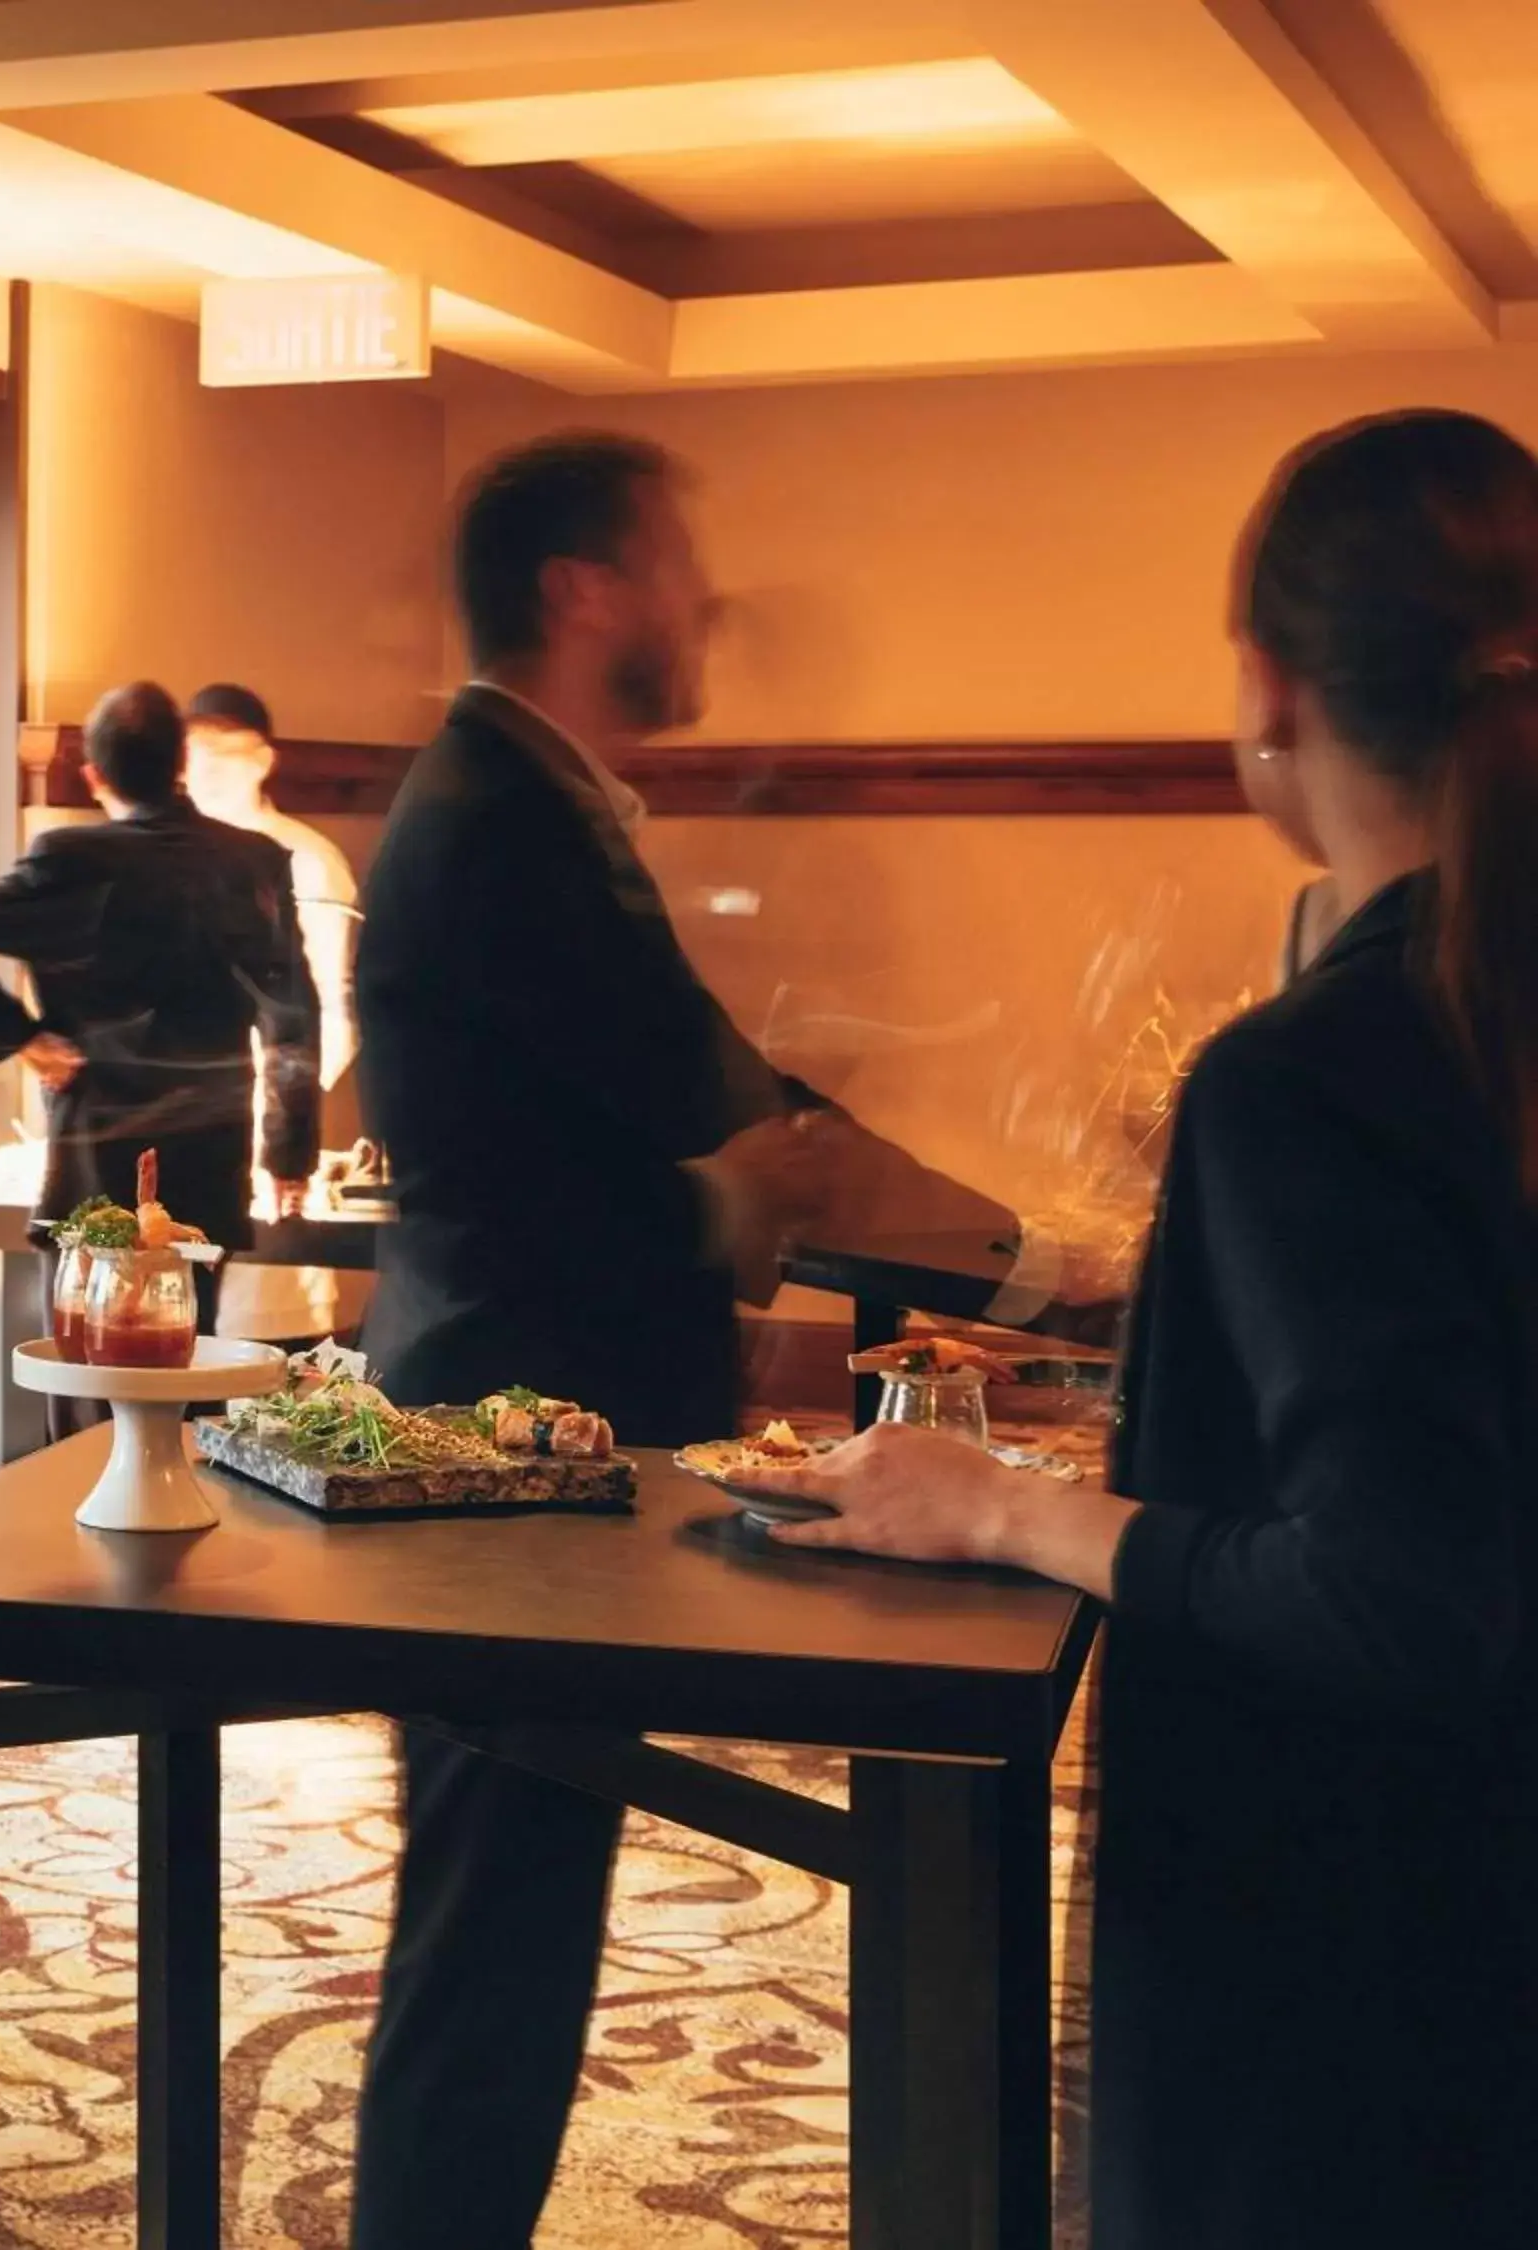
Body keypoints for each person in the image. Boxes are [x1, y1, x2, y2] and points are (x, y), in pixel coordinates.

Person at [735, 409, 1538, 2248]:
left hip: (1358, 1949)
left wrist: (1007, 1509)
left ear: (1264, 686)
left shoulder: (1319, 1070)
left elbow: (1401, 1596)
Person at [346, 435, 836, 2250]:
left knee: (509, 1917)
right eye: (676, 554)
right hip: (504, 1442)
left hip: (523, 1430)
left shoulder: (531, 798)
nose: (704, 597)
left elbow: (630, 1102)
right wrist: (745, 1199)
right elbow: (549, 1167)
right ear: (582, 589)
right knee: (492, 1928)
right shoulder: (497, 811)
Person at [0, 678, 321, 1289]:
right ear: (181, 763)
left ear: (93, 773)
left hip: (95, 1152)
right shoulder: (253, 860)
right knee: (191, 1353)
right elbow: (292, 1018)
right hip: (210, 1156)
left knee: (85, 1357)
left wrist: (23, 1039)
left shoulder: (69, 860)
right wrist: (289, 1155)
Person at [183, 683, 362, 1342]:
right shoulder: (161, 854)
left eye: (226, 751)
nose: (208, 767)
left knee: (260, 1352)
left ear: (263, 758)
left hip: (262, 1143)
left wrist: (278, 1132)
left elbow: (326, 1021)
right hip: (175, 1140)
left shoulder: (305, 861)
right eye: (197, 750)